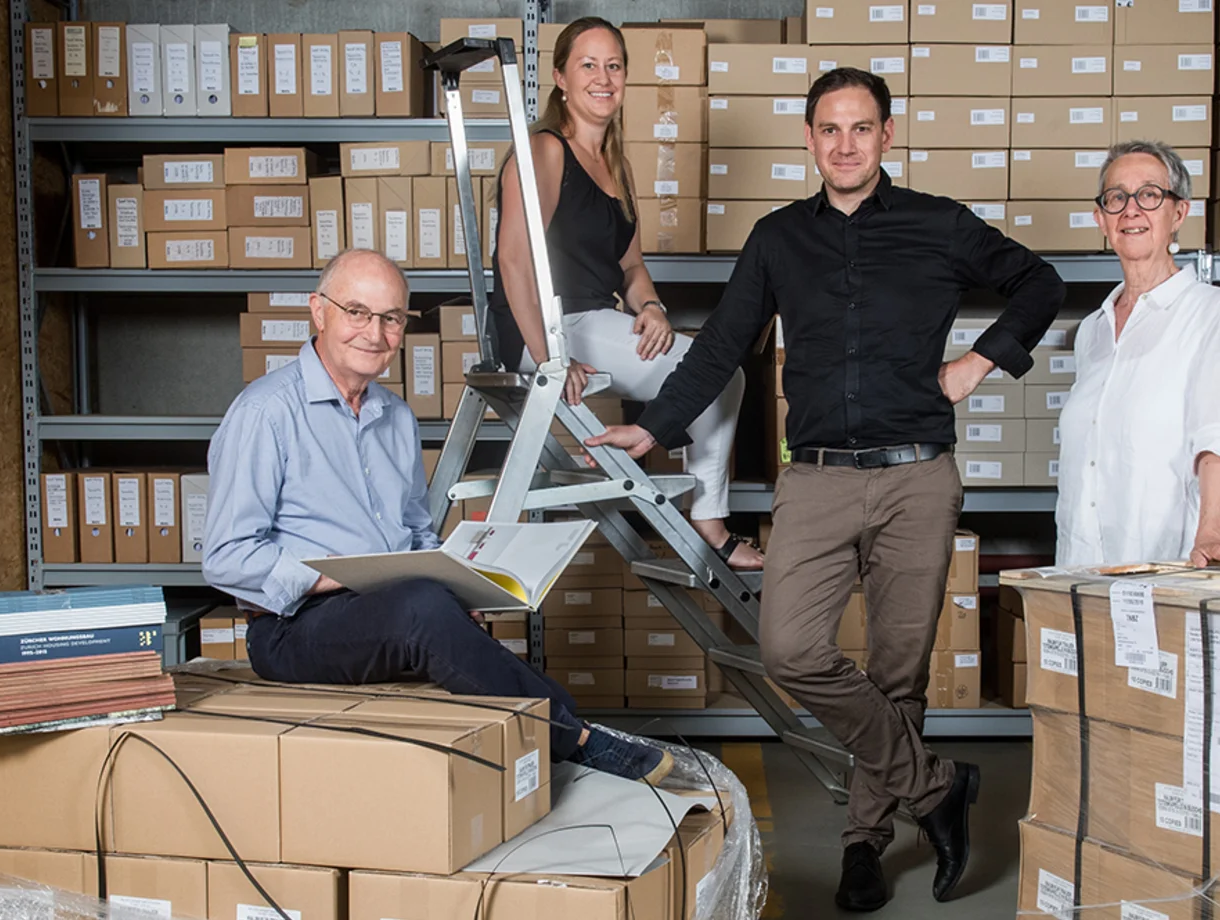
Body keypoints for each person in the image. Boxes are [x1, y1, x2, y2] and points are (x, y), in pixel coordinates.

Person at [585, 68, 1066, 911]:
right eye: (829, 130)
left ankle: (863, 843)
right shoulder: (777, 240)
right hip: (814, 478)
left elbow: (1041, 283)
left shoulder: (936, 224)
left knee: (897, 671)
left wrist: (976, 362)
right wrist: (654, 428)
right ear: (809, 140)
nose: (845, 144)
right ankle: (935, 787)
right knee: (789, 649)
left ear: (887, 135)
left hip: (917, 475)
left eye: (861, 128)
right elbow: (723, 343)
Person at [202, 248, 673, 785]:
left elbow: (414, 532)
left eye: (392, 318)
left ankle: (568, 726)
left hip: (382, 608)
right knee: (420, 607)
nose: (374, 334)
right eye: (357, 312)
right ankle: (579, 739)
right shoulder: (265, 413)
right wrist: (336, 574)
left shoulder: (395, 417)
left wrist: (460, 587)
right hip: (291, 630)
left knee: (435, 602)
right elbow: (224, 558)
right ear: (319, 311)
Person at [488, 16, 760, 570]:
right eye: (588, 64)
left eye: (614, 65)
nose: (603, 77)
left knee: (724, 374)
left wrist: (652, 307)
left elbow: (630, 264)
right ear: (561, 77)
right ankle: (707, 517)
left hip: (595, 320)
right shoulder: (544, 150)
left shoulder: (614, 164)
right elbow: (513, 260)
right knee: (716, 374)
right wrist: (549, 359)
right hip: (545, 329)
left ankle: (701, 506)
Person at [1055, 140, 1220, 571]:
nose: (1131, 210)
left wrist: (1210, 535)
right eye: (1116, 198)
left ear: (1178, 213)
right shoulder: (1092, 331)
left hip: (1161, 570)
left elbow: (1218, 435)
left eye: (1149, 195)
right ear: (1101, 219)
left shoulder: (1212, 312)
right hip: (1078, 570)